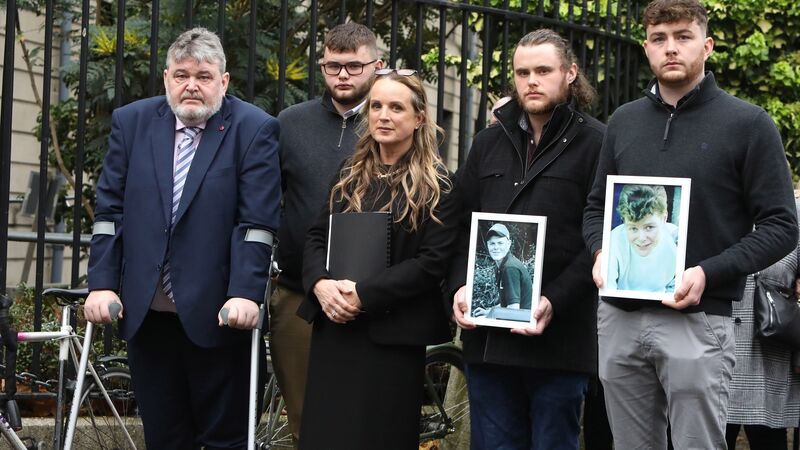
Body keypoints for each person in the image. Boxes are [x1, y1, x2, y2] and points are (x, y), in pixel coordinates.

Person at [582, 1, 798, 448]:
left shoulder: (749, 124)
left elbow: (781, 225)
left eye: (683, 36)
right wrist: (600, 252)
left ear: (707, 45)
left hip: (699, 318)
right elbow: (596, 208)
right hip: (620, 318)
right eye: (659, 39)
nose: (671, 48)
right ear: (646, 48)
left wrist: (708, 273)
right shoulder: (623, 122)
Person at [84, 27, 280, 449]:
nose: (192, 85)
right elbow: (109, 214)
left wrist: (245, 293)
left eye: (204, 76)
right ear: (166, 78)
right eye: (182, 75)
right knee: (164, 437)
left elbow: (256, 223)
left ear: (223, 81)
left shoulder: (254, 128)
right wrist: (101, 283)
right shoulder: (132, 122)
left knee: (225, 440)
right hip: (148, 314)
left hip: (220, 314)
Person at [449, 29, 605, 450]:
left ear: (570, 73)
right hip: (489, 340)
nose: (531, 81)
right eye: (522, 72)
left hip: (561, 340)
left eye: (543, 70)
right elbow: (458, 224)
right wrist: (460, 285)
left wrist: (554, 299)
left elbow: (599, 238)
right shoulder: (488, 142)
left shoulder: (598, 143)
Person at [297, 69, 459, 450]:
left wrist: (363, 294)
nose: (383, 116)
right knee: (326, 436)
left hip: (392, 337)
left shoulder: (439, 184)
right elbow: (317, 236)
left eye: (396, 107)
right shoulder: (349, 173)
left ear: (419, 118)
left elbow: (431, 263)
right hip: (335, 327)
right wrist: (320, 284)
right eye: (376, 106)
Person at [269, 22, 382, 444]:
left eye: (354, 66)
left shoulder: (391, 119)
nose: (343, 75)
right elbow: (267, 200)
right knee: (304, 420)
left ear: (377, 66)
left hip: (370, 299)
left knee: (362, 422)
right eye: (333, 66)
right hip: (298, 293)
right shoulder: (289, 123)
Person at [725, 195, 800, 449]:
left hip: (770, 356)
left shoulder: (793, 211)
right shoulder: (714, 199)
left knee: (769, 440)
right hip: (713, 349)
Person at [607, 184, 678, 292]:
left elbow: (674, 287)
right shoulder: (613, 241)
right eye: (633, 228)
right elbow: (608, 289)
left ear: (664, 219)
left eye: (649, 227)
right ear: (624, 221)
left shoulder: (676, 239)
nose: (641, 238)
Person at [473, 223, 533, 316]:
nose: (496, 247)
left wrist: (490, 315)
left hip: (525, 318)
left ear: (509, 244)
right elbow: (505, 304)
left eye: (500, 243)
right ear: (487, 245)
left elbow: (513, 309)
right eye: (492, 243)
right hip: (519, 316)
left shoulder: (510, 268)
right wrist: (487, 312)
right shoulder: (500, 266)